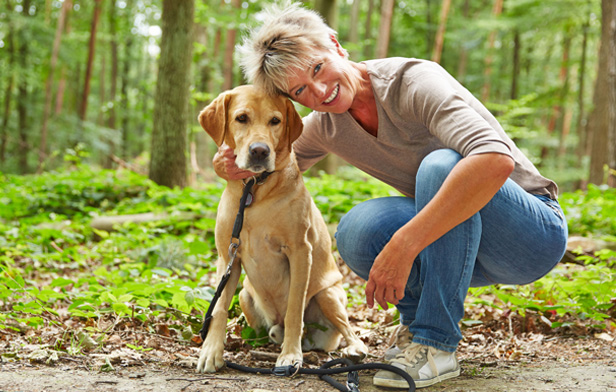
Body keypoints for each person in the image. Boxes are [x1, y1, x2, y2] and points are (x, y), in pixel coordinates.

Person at [213, 2, 568, 389]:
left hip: (531, 235)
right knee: (357, 230)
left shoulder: (414, 81)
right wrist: (228, 165)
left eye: (317, 68)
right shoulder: (326, 125)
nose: (318, 90)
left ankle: (437, 344)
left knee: (441, 166)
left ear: (334, 44)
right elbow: (273, 162)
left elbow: (494, 160)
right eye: (300, 90)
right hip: (465, 242)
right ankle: (415, 330)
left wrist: (405, 243)